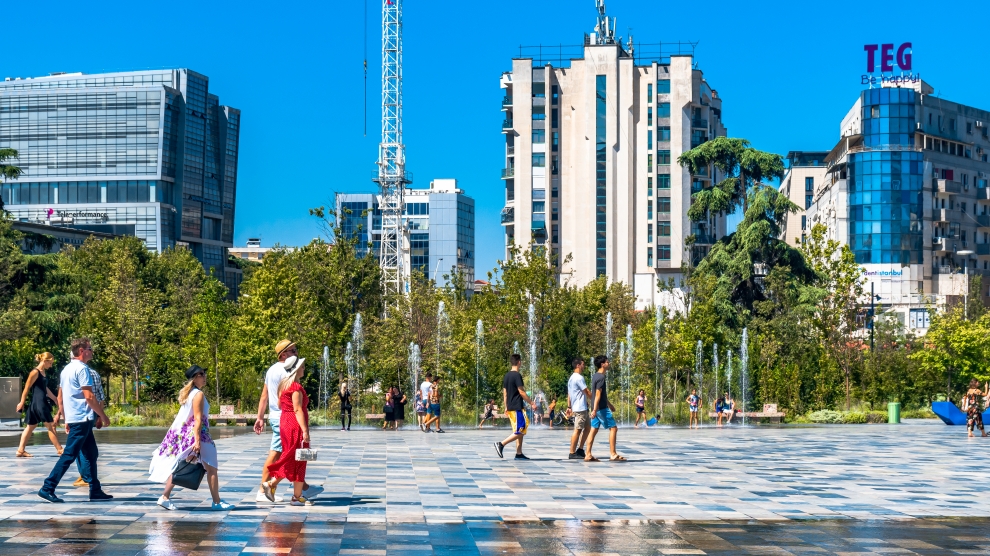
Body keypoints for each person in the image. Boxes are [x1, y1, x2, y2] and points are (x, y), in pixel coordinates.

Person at [38, 338, 112, 503]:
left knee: (91, 453)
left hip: (76, 418)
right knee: (69, 454)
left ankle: (95, 490)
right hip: (82, 418)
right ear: (81, 351)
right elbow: (89, 397)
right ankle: (47, 487)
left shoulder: (66, 370)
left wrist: (65, 417)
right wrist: (103, 415)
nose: (91, 351)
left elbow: (63, 396)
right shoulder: (82, 370)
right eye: (89, 348)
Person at [150, 365, 234, 511]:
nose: (205, 376)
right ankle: (217, 502)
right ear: (195, 378)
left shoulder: (191, 394)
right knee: (212, 468)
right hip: (199, 436)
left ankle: (165, 497)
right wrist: (197, 440)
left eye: (204, 373)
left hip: (190, 436)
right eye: (201, 374)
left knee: (181, 466)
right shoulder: (198, 394)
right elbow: (197, 419)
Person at [252, 340, 315, 503]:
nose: (296, 353)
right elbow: (296, 406)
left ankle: (301, 489)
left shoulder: (271, 370)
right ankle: (264, 488)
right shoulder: (287, 371)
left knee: (289, 454)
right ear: (283, 355)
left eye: (296, 350)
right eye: (293, 351)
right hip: (286, 419)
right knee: (280, 454)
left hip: (276, 415)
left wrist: (260, 417)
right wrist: (305, 429)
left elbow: (265, 395)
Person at [15, 353, 63, 458]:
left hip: (38, 402)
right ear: (45, 361)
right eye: (50, 363)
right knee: (51, 426)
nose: (50, 366)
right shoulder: (34, 372)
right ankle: (60, 449)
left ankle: (20, 450)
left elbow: (44, 388)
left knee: (31, 426)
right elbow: (27, 387)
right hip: (39, 403)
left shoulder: (43, 372)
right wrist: (22, 402)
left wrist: (54, 398)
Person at [494, 354, 536, 460]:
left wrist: (506, 406)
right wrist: (532, 403)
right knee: (522, 428)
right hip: (517, 406)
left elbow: (505, 393)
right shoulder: (517, 375)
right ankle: (501, 444)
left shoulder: (507, 375)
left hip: (511, 407)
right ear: (519, 362)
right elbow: (521, 392)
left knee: (519, 429)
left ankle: (519, 453)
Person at [586, 355, 625, 462]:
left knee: (593, 430)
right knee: (613, 428)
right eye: (607, 362)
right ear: (602, 364)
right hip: (600, 409)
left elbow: (599, 395)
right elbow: (597, 394)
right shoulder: (601, 378)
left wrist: (609, 404)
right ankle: (613, 454)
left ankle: (588, 454)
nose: (609, 363)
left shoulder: (595, 376)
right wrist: (595, 410)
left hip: (597, 407)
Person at [567, 358, 592, 460]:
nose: (584, 366)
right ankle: (572, 453)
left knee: (587, 428)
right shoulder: (578, 378)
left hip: (582, 407)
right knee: (577, 430)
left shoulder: (571, 378)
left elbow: (569, 394)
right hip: (580, 408)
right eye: (583, 364)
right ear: (578, 365)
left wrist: (569, 406)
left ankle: (580, 449)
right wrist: (595, 400)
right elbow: (586, 390)